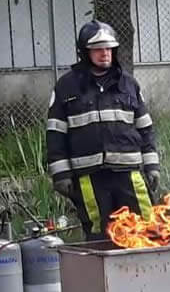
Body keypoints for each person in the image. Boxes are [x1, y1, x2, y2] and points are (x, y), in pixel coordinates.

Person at [46, 20, 161, 240]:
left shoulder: (129, 84)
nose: (105, 53)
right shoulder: (66, 87)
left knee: (145, 229)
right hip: (89, 177)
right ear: (84, 52)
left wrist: (152, 166)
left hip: (130, 173)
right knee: (100, 234)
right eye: (98, 49)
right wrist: (61, 174)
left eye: (108, 48)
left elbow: (145, 129)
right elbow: (55, 134)